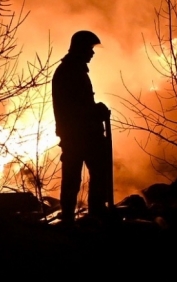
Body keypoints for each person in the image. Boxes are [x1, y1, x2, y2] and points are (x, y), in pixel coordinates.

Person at [52, 30, 111, 225]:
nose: (92, 53)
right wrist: (97, 111)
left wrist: (95, 111)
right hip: (80, 135)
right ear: (81, 48)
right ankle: (90, 216)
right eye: (90, 49)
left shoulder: (72, 69)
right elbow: (76, 107)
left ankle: (83, 215)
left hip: (79, 135)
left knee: (79, 176)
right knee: (80, 177)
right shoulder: (71, 71)